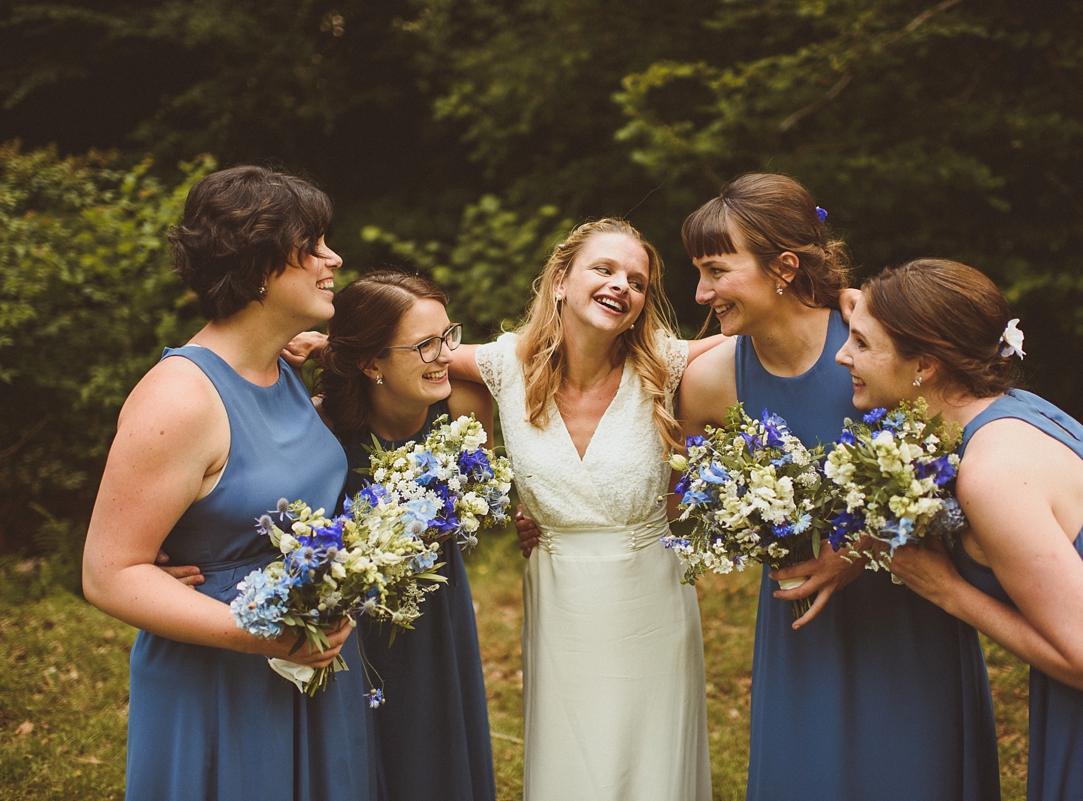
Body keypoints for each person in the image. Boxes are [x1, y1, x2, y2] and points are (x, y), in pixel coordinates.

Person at [676, 174, 1000, 801]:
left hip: (908, 605)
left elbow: (959, 469)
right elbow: (679, 490)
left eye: (716, 270)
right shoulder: (712, 380)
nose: (701, 292)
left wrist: (858, 553)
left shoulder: (875, 347)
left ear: (785, 267)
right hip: (803, 626)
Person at [849, 259, 1083, 801]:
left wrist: (948, 590)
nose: (843, 355)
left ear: (924, 364)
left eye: (862, 344)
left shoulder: (991, 475)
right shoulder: (1013, 409)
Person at [81, 165, 373, 801]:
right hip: (220, 675)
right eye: (314, 245)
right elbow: (108, 572)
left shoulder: (279, 365)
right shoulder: (179, 399)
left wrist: (321, 350)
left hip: (308, 655)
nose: (334, 258)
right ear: (262, 266)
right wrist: (269, 634)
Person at [451, 218, 718, 801]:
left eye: (637, 281)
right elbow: (418, 353)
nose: (622, 285)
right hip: (559, 594)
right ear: (561, 282)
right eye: (604, 269)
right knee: (574, 758)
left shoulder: (666, 366)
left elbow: (758, 341)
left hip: (649, 594)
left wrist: (836, 305)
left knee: (648, 762)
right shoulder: (507, 365)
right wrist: (324, 345)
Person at [316, 270, 497, 801]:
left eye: (448, 336)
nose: (444, 355)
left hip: (438, 607)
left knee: (436, 745)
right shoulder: (322, 431)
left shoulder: (463, 407)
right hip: (352, 622)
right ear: (370, 363)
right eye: (424, 345)